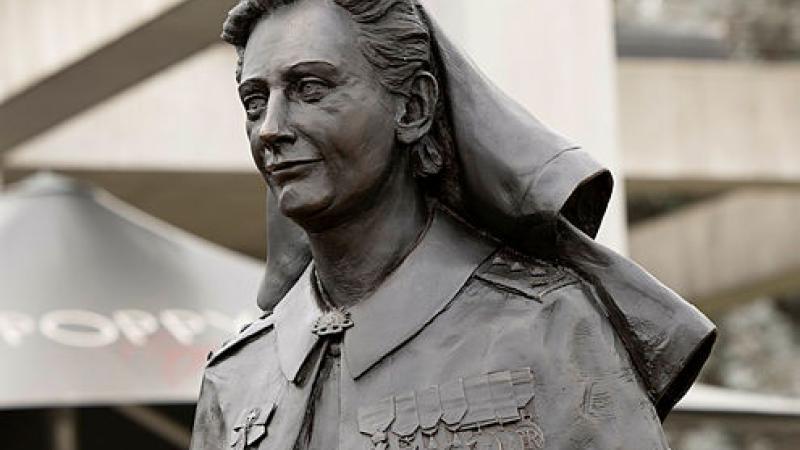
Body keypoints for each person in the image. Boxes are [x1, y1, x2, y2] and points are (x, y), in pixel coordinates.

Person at [190, 1, 716, 449]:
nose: (271, 129)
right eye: (255, 102)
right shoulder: (237, 376)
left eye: (310, 89)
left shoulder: (547, 326)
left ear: (414, 107)